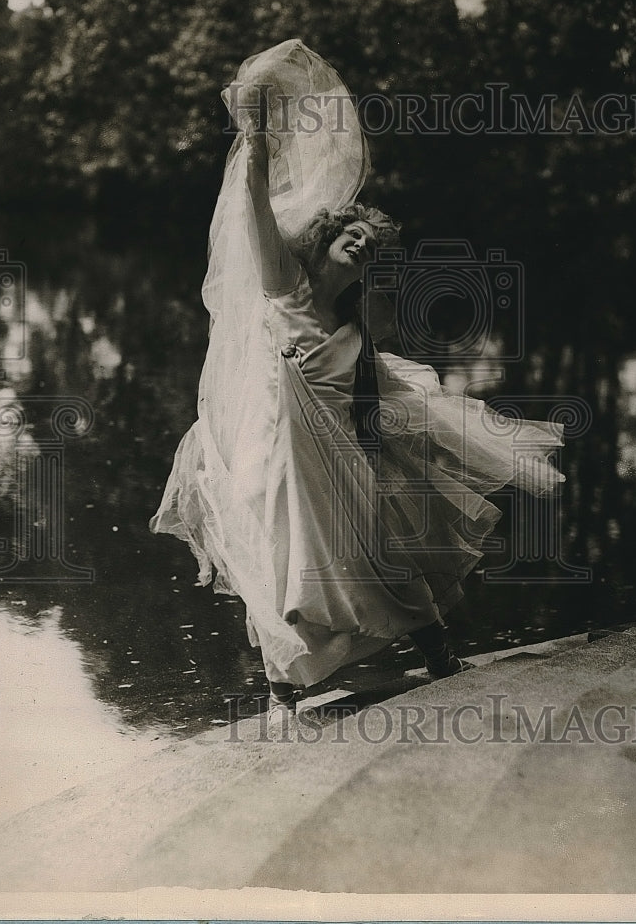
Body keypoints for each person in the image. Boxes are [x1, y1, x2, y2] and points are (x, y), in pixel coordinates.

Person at [150, 40, 565, 739]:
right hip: (281, 463)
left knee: (386, 557)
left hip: (341, 459)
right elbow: (251, 205)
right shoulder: (284, 286)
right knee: (281, 575)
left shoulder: (355, 323)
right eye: (352, 235)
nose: (362, 246)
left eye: (371, 245)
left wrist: (391, 458)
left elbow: (369, 402)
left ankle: (440, 662)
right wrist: (252, 136)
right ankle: (282, 696)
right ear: (326, 237)